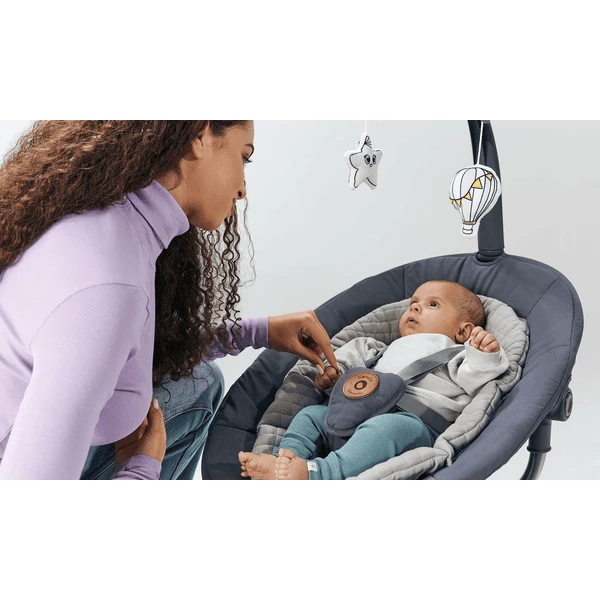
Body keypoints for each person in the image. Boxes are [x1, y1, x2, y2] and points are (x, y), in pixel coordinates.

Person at [0, 120, 339, 480]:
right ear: (199, 137)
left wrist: (259, 332)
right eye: (244, 157)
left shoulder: (110, 222)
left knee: (201, 382)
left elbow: (142, 350)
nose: (242, 189)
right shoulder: (110, 289)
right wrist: (143, 467)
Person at [239, 280, 510, 480]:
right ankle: (285, 460)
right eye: (413, 303)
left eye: (432, 304)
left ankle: (318, 474)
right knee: (311, 415)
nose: (415, 307)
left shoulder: (456, 352)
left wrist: (484, 353)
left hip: (413, 423)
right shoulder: (378, 349)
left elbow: (478, 378)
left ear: (463, 331)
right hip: (352, 415)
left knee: (388, 428)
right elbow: (348, 370)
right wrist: (331, 376)